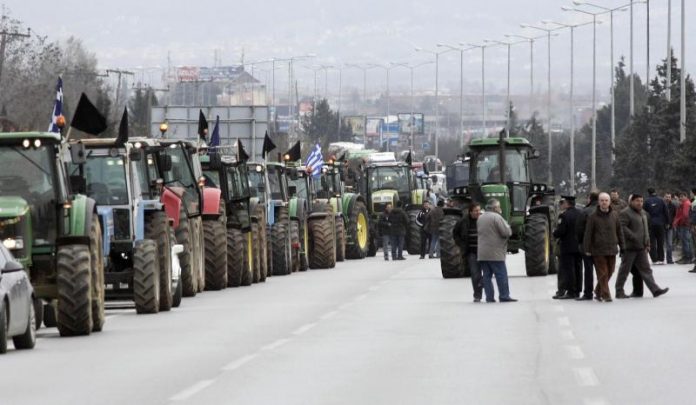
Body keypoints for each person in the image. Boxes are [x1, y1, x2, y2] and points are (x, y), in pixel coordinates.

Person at [616, 194, 670, 298]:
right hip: (630, 247)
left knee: (646, 270)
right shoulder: (625, 213)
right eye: (637, 201)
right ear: (631, 201)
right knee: (624, 271)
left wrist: (647, 243)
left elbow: (646, 229)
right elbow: (622, 227)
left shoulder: (643, 213)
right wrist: (633, 236)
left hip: (641, 247)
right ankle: (619, 291)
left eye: (641, 201)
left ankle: (655, 290)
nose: (639, 203)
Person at [583, 192, 624, 302]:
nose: (604, 202)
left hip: (612, 248)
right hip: (598, 250)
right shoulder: (593, 216)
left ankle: (597, 291)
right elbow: (588, 234)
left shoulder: (615, 215)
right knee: (603, 273)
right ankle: (606, 294)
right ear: (599, 202)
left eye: (606, 200)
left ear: (609, 202)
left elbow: (619, 231)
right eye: (602, 200)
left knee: (610, 271)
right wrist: (586, 249)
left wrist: (622, 246)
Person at [477, 199, 517, 303]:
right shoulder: (497, 217)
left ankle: (489, 297)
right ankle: (504, 296)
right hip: (495, 253)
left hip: (482, 252)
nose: (500, 208)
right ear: (495, 208)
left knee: (486, 276)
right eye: (499, 207)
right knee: (501, 274)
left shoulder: (480, 218)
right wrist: (509, 227)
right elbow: (506, 232)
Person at [552, 196, 582, 299]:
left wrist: (554, 233)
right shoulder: (580, 213)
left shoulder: (564, 216)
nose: (561, 205)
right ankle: (578, 290)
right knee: (578, 269)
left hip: (567, 247)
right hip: (579, 246)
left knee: (569, 270)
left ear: (567, 204)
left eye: (562, 203)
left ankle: (570, 291)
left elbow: (560, 231)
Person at [453, 202, 483, 302]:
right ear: (470, 212)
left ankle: (489, 294)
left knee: (486, 275)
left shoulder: (483, 220)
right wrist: (461, 244)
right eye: (476, 211)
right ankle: (477, 295)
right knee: (475, 274)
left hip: (485, 251)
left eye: (479, 210)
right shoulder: (463, 221)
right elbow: (455, 233)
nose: (478, 212)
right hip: (471, 252)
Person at [574, 191, 598, 301]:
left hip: (586, 244)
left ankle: (588, 293)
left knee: (588, 270)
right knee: (602, 270)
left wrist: (580, 242)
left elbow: (579, 229)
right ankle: (601, 291)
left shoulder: (585, 211)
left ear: (589, 199)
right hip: (600, 245)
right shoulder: (603, 210)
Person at [643, 187, 670, 264]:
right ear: (655, 192)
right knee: (660, 241)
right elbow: (666, 212)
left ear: (648, 193)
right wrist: (667, 222)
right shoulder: (661, 200)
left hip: (650, 224)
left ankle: (654, 259)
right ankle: (661, 259)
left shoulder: (647, 201)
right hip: (661, 223)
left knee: (652, 242)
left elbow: (644, 212)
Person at [672, 192, 693, 264]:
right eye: (680, 197)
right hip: (685, 225)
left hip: (685, 225)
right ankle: (687, 257)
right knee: (686, 242)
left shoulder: (686, 204)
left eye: (681, 197)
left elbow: (685, 215)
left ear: (685, 196)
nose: (680, 198)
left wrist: (682, 223)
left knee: (685, 242)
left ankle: (687, 258)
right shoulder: (684, 203)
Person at [664, 192, 676, 264]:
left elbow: (674, 216)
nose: (668, 198)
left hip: (670, 227)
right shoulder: (662, 205)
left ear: (671, 198)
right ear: (664, 197)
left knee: (669, 243)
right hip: (662, 226)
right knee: (661, 243)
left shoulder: (673, 206)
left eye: (669, 197)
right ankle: (661, 258)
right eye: (666, 197)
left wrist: (671, 223)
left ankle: (669, 259)